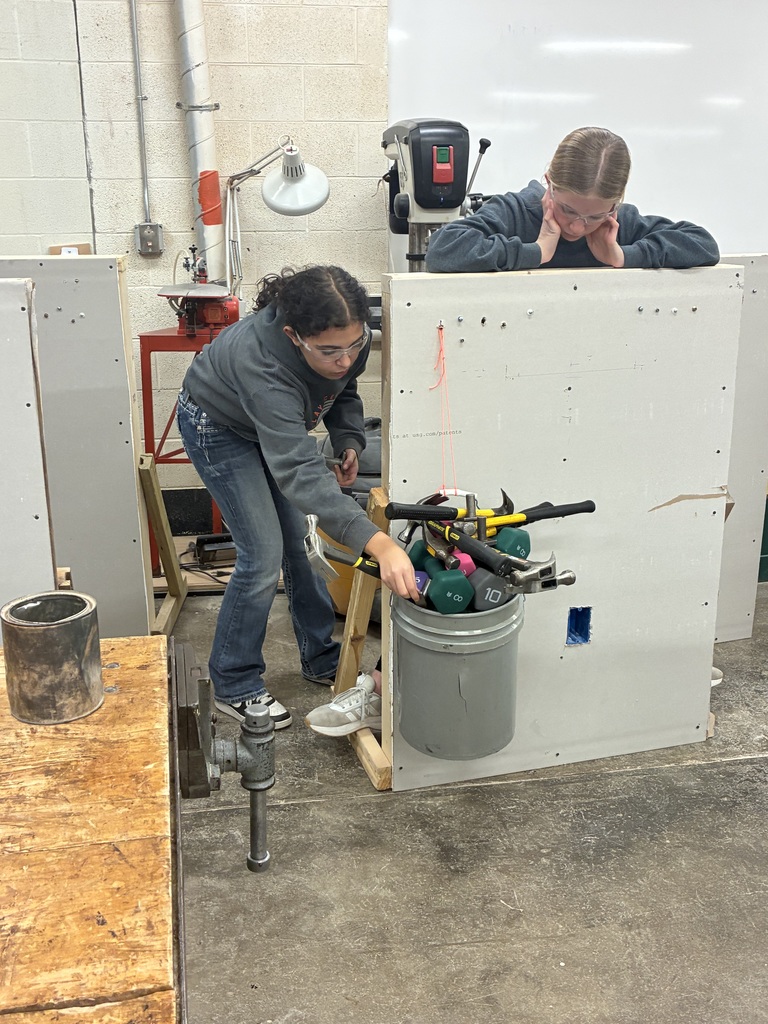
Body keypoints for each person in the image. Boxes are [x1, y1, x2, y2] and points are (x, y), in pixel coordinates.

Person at [177, 266, 419, 730]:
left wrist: (348, 437)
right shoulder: (262, 365)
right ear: (293, 335)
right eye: (329, 351)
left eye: (354, 344)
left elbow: (344, 389)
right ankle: (233, 682)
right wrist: (378, 542)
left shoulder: (348, 338)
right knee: (262, 553)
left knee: (301, 544)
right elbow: (297, 469)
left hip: (270, 425)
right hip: (219, 425)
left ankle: (319, 656)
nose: (346, 358)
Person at [424, 126, 719, 274]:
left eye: (594, 216)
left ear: (616, 203)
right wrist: (536, 252)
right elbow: (442, 251)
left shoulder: (619, 223)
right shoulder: (514, 212)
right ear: (549, 183)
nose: (578, 227)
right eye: (568, 210)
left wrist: (623, 257)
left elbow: (703, 244)